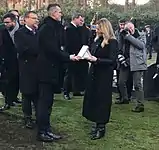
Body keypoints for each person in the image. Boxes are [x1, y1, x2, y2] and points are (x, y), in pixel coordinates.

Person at [36, 4, 79, 142]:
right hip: (45, 71)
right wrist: (68, 57)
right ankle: (42, 131)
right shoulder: (47, 29)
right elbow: (51, 49)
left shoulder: (55, 28)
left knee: (48, 103)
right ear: (53, 13)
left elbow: (60, 45)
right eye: (60, 12)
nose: (61, 14)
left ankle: (47, 129)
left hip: (52, 70)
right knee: (44, 102)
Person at [82, 18, 118, 140]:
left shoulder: (112, 42)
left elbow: (112, 60)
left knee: (102, 99)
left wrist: (97, 60)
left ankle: (101, 127)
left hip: (104, 74)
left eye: (98, 28)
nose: (96, 30)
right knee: (94, 98)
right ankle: (96, 122)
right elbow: (92, 52)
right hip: (94, 72)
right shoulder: (98, 40)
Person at [14, 11, 39, 129]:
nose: (36, 20)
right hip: (27, 67)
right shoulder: (20, 33)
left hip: (38, 67)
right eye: (33, 18)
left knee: (37, 94)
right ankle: (27, 117)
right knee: (27, 94)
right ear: (26, 19)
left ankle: (39, 116)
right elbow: (22, 50)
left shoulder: (38, 32)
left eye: (37, 18)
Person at [117, 22, 147, 112]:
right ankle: (125, 98)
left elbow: (141, 46)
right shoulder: (122, 35)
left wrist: (129, 36)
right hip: (125, 62)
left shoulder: (140, 35)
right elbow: (120, 47)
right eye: (128, 28)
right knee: (121, 82)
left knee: (137, 85)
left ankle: (140, 105)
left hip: (137, 62)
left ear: (134, 27)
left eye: (131, 28)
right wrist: (119, 55)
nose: (130, 30)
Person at [0, 13, 19, 111]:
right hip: (8, 60)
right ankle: (8, 101)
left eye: (7, 22)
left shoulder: (20, 31)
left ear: (13, 22)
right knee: (7, 81)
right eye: (4, 22)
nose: (5, 24)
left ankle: (13, 98)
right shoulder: (3, 31)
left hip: (19, 59)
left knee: (16, 81)